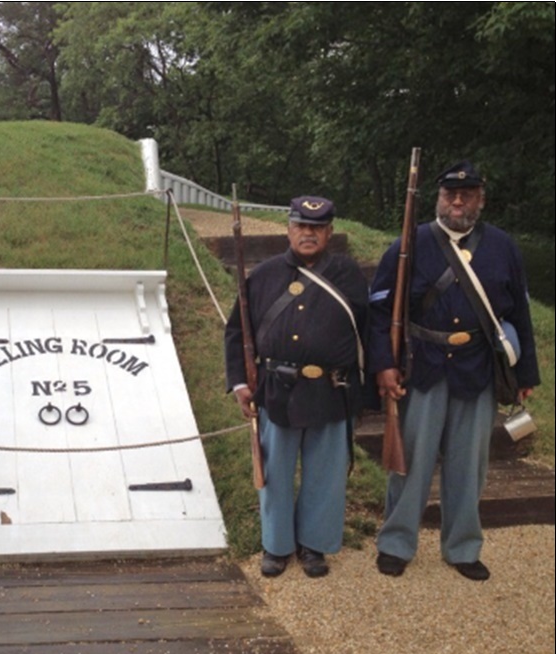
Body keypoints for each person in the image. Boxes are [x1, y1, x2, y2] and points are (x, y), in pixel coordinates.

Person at [368, 160, 539, 581]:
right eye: (450, 194)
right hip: (423, 365)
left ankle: (462, 546)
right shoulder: (410, 243)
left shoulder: (502, 247)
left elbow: (519, 310)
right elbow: (379, 312)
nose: (458, 201)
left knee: (469, 465)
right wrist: (384, 366)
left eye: (467, 194)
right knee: (411, 461)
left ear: (480, 198)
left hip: (478, 368)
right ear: (439, 198)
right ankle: (396, 542)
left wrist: (525, 375)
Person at [225, 196, 368, 578]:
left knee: (326, 475)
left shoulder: (347, 274)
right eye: (302, 227)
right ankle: (277, 545)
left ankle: (314, 546)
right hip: (276, 390)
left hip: (331, 390)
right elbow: (238, 331)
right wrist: (240, 381)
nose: (309, 234)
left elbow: (369, 331)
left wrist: (373, 379)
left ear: (329, 232)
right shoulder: (265, 275)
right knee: (275, 473)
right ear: (289, 230)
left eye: (317, 228)